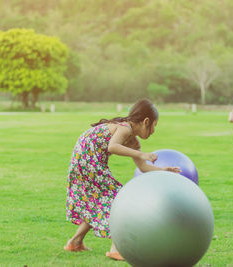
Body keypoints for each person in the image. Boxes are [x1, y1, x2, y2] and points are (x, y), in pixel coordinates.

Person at [64, 99, 180, 261]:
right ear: (146, 121)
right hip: (86, 159)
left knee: (99, 202)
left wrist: (164, 171)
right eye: (154, 125)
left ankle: (75, 242)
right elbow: (113, 146)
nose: (154, 131)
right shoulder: (125, 128)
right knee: (118, 198)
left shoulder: (133, 139)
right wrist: (141, 154)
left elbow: (143, 167)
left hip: (86, 160)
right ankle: (116, 249)